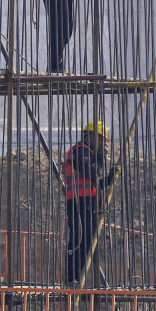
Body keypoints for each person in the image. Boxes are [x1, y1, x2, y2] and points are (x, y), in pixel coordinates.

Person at [63, 120, 114, 286]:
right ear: (91, 136)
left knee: (87, 240)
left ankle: (78, 277)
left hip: (87, 201)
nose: (102, 143)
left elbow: (92, 182)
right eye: (101, 139)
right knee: (78, 238)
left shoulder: (87, 153)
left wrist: (109, 179)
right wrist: (100, 157)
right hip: (78, 201)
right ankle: (72, 278)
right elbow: (89, 169)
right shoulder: (80, 151)